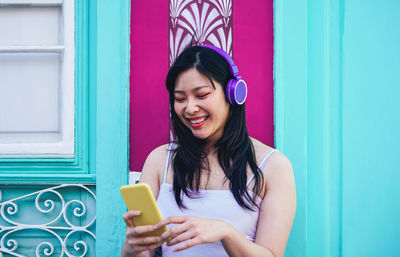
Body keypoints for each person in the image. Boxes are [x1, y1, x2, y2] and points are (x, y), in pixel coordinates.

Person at [121, 45, 296, 257]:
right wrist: (132, 249)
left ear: (233, 94)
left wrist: (226, 232)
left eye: (201, 95)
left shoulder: (274, 166)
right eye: (180, 98)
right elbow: (145, 253)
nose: (190, 108)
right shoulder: (160, 160)